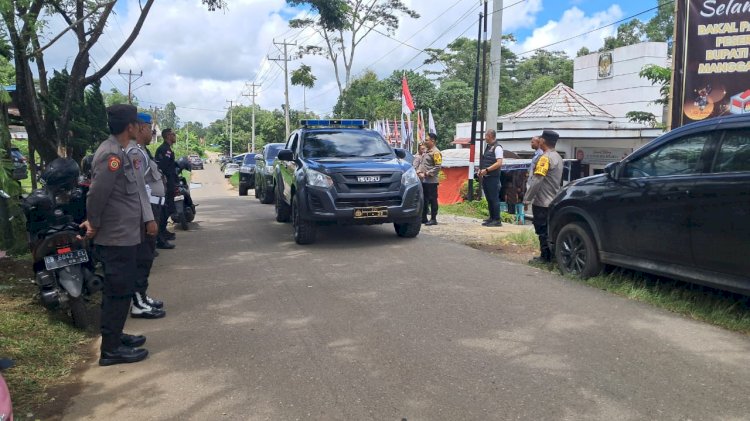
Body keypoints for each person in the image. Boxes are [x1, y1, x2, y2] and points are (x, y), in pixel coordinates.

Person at [79, 104, 155, 366]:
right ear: (131, 127)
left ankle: (116, 337)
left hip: (125, 234)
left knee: (121, 289)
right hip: (115, 236)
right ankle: (110, 351)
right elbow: (97, 194)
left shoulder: (119, 151)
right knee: (117, 290)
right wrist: (94, 223)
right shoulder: (110, 154)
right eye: (137, 123)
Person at [126, 112, 166, 319]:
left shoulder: (141, 151)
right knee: (143, 256)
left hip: (152, 208)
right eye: (150, 129)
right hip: (145, 210)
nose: (152, 133)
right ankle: (137, 302)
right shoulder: (134, 152)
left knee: (147, 255)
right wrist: (147, 217)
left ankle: (142, 296)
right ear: (141, 128)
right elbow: (138, 187)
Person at [524, 130, 563, 264]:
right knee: (549, 229)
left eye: (540, 138)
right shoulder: (558, 157)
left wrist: (527, 198)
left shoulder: (545, 158)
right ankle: (551, 257)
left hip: (542, 201)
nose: (538, 140)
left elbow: (537, 180)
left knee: (542, 230)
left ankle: (545, 257)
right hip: (553, 200)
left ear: (543, 141)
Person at [154, 128, 177, 248]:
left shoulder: (167, 149)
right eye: (173, 134)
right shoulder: (164, 150)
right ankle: (160, 236)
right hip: (165, 183)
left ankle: (163, 232)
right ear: (168, 136)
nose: (175, 136)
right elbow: (162, 167)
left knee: (168, 208)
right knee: (165, 209)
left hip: (169, 182)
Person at [478, 128, 504, 227]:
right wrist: (481, 171)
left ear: (490, 136)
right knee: (489, 198)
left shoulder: (498, 148)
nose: (485, 138)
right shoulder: (488, 147)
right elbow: (486, 161)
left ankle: (497, 220)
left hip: (493, 177)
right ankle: (491, 218)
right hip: (486, 177)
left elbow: (499, 163)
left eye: (486, 136)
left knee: (494, 198)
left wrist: (487, 170)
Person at [418, 133, 442, 225]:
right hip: (423, 180)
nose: (425, 141)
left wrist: (427, 173)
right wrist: (419, 171)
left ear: (433, 141)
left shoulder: (436, 152)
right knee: (424, 199)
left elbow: (438, 166)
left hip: (431, 181)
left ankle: (433, 219)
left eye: (427, 140)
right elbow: (422, 163)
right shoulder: (426, 151)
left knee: (432, 200)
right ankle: (423, 218)